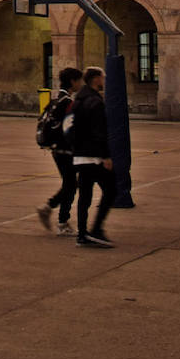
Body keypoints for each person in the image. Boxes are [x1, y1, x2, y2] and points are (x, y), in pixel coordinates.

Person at [36, 66, 83, 235]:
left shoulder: (56, 99)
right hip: (65, 149)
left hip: (56, 148)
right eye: (79, 80)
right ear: (73, 81)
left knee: (70, 184)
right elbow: (70, 127)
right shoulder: (68, 102)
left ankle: (56, 214)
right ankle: (57, 216)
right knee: (71, 184)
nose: (80, 84)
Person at [73, 67, 116, 247]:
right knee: (111, 190)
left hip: (80, 156)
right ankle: (96, 229)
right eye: (102, 77)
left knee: (84, 196)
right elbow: (100, 131)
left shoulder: (79, 100)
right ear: (96, 79)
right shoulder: (95, 102)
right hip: (93, 156)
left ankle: (82, 234)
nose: (104, 80)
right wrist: (105, 156)